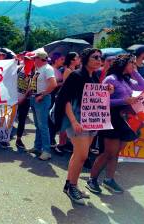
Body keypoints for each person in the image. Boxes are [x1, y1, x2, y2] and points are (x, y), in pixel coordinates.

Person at [54, 48, 108, 205]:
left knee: (78, 154)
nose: (99, 60)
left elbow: (95, 97)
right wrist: (73, 121)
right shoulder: (76, 76)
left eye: (100, 57)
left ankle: (71, 185)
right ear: (85, 59)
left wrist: (107, 91)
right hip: (77, 121)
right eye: (95, 57)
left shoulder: (94, 77)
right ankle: (72, 187)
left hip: (91, 121)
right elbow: (66, 100)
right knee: (82, 155)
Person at [86, 54, 144, 194]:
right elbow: (100, 101)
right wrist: (124, 101)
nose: (133, 65)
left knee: (116, 152)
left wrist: (134, 70)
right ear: (124, 64)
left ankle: (109, 179)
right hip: (111, 118)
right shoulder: (110, 79)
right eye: (131, 63)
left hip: (123, 119)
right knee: (108, 152)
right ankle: (92, 179)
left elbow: (142, 85)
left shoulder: (126, 79)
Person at [27, 49, 57, 160]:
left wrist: (42, 95)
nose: (33, 60)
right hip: (36, 98)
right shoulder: (39, 69)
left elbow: (53, 84)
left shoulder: (48, 69)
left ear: (40, 59)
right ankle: (37, 147)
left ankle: (46, 151)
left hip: (41, 99)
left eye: (35, 58)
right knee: (38, 125)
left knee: (43, 126)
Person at [15, 52, 35, 150]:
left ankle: (18, 139)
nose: (28, 61)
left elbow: (32, 89)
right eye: (26, 59)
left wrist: (24, 98)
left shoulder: (35, 73)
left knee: (22, 120)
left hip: (25, 100)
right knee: (8, 118)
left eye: (30, 59)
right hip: (14, 98)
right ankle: (4, 138)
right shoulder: (19, 69)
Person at [49, 53, 65, 151]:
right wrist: (61, 83)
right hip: (50, 96)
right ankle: (50, 139)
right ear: (56, 60)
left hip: (55, 96)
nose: (63, 61)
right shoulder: (51, 70)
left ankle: (51, 138)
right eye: (61, 59)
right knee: (51, 118)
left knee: (53, 118)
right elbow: (51, 84)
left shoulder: (59, 71)